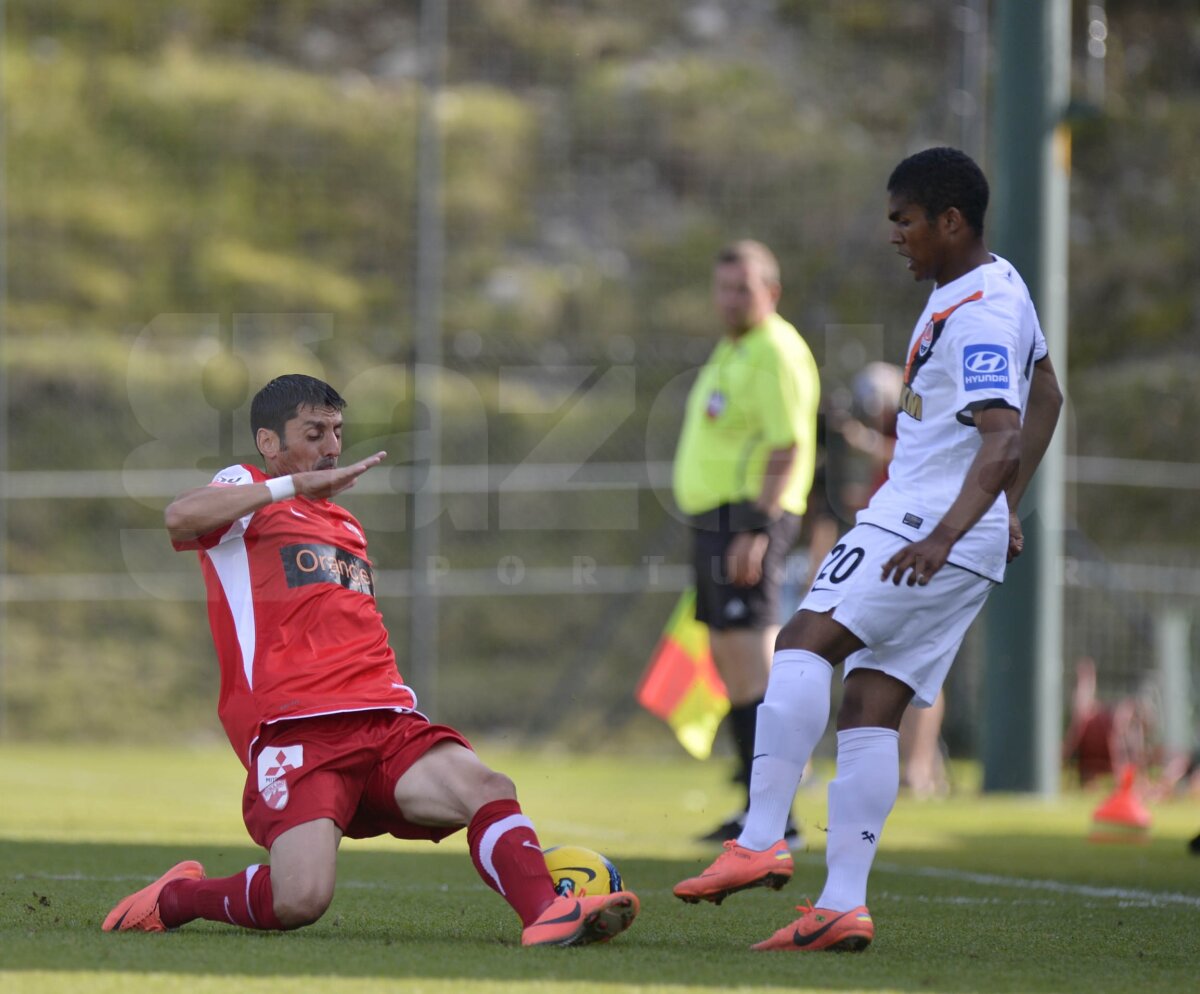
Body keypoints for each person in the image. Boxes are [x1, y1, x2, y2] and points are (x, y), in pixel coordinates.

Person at [673, 147, 1063, 952]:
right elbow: (1049, 393)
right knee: (870, 707)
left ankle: (761, 837)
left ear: (951, 221)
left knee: (802, 641)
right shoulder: (999, 285)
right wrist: (1002, 510)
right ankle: (840, 904)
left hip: (922, 524)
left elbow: (1003, 431)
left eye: (906, 220)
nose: (897, 236)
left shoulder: (980, 312)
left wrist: (955, 527)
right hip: (957, 532)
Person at [102, 374, 639, 947]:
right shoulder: (248, 490)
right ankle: (175, 899)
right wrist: (288, 488)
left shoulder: (346, 525)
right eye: (314, 432)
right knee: (300, 900)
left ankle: (544, 914)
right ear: (268, 442)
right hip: (297, 728)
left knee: (485, 785)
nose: (332, 447)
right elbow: (180, 516)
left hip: (384, 718)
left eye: (337, 431)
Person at [671, 240, 821, 846]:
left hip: (748, 517)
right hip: (714, 518)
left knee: (758, 661)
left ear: (772, 292)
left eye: (745, 289)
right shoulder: (733, 348)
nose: (732, 299)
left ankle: (781, 811)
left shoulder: (776, 351)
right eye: (725, 287)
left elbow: (787, 444)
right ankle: (755, 806)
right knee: (732, 665)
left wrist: (756, 529)